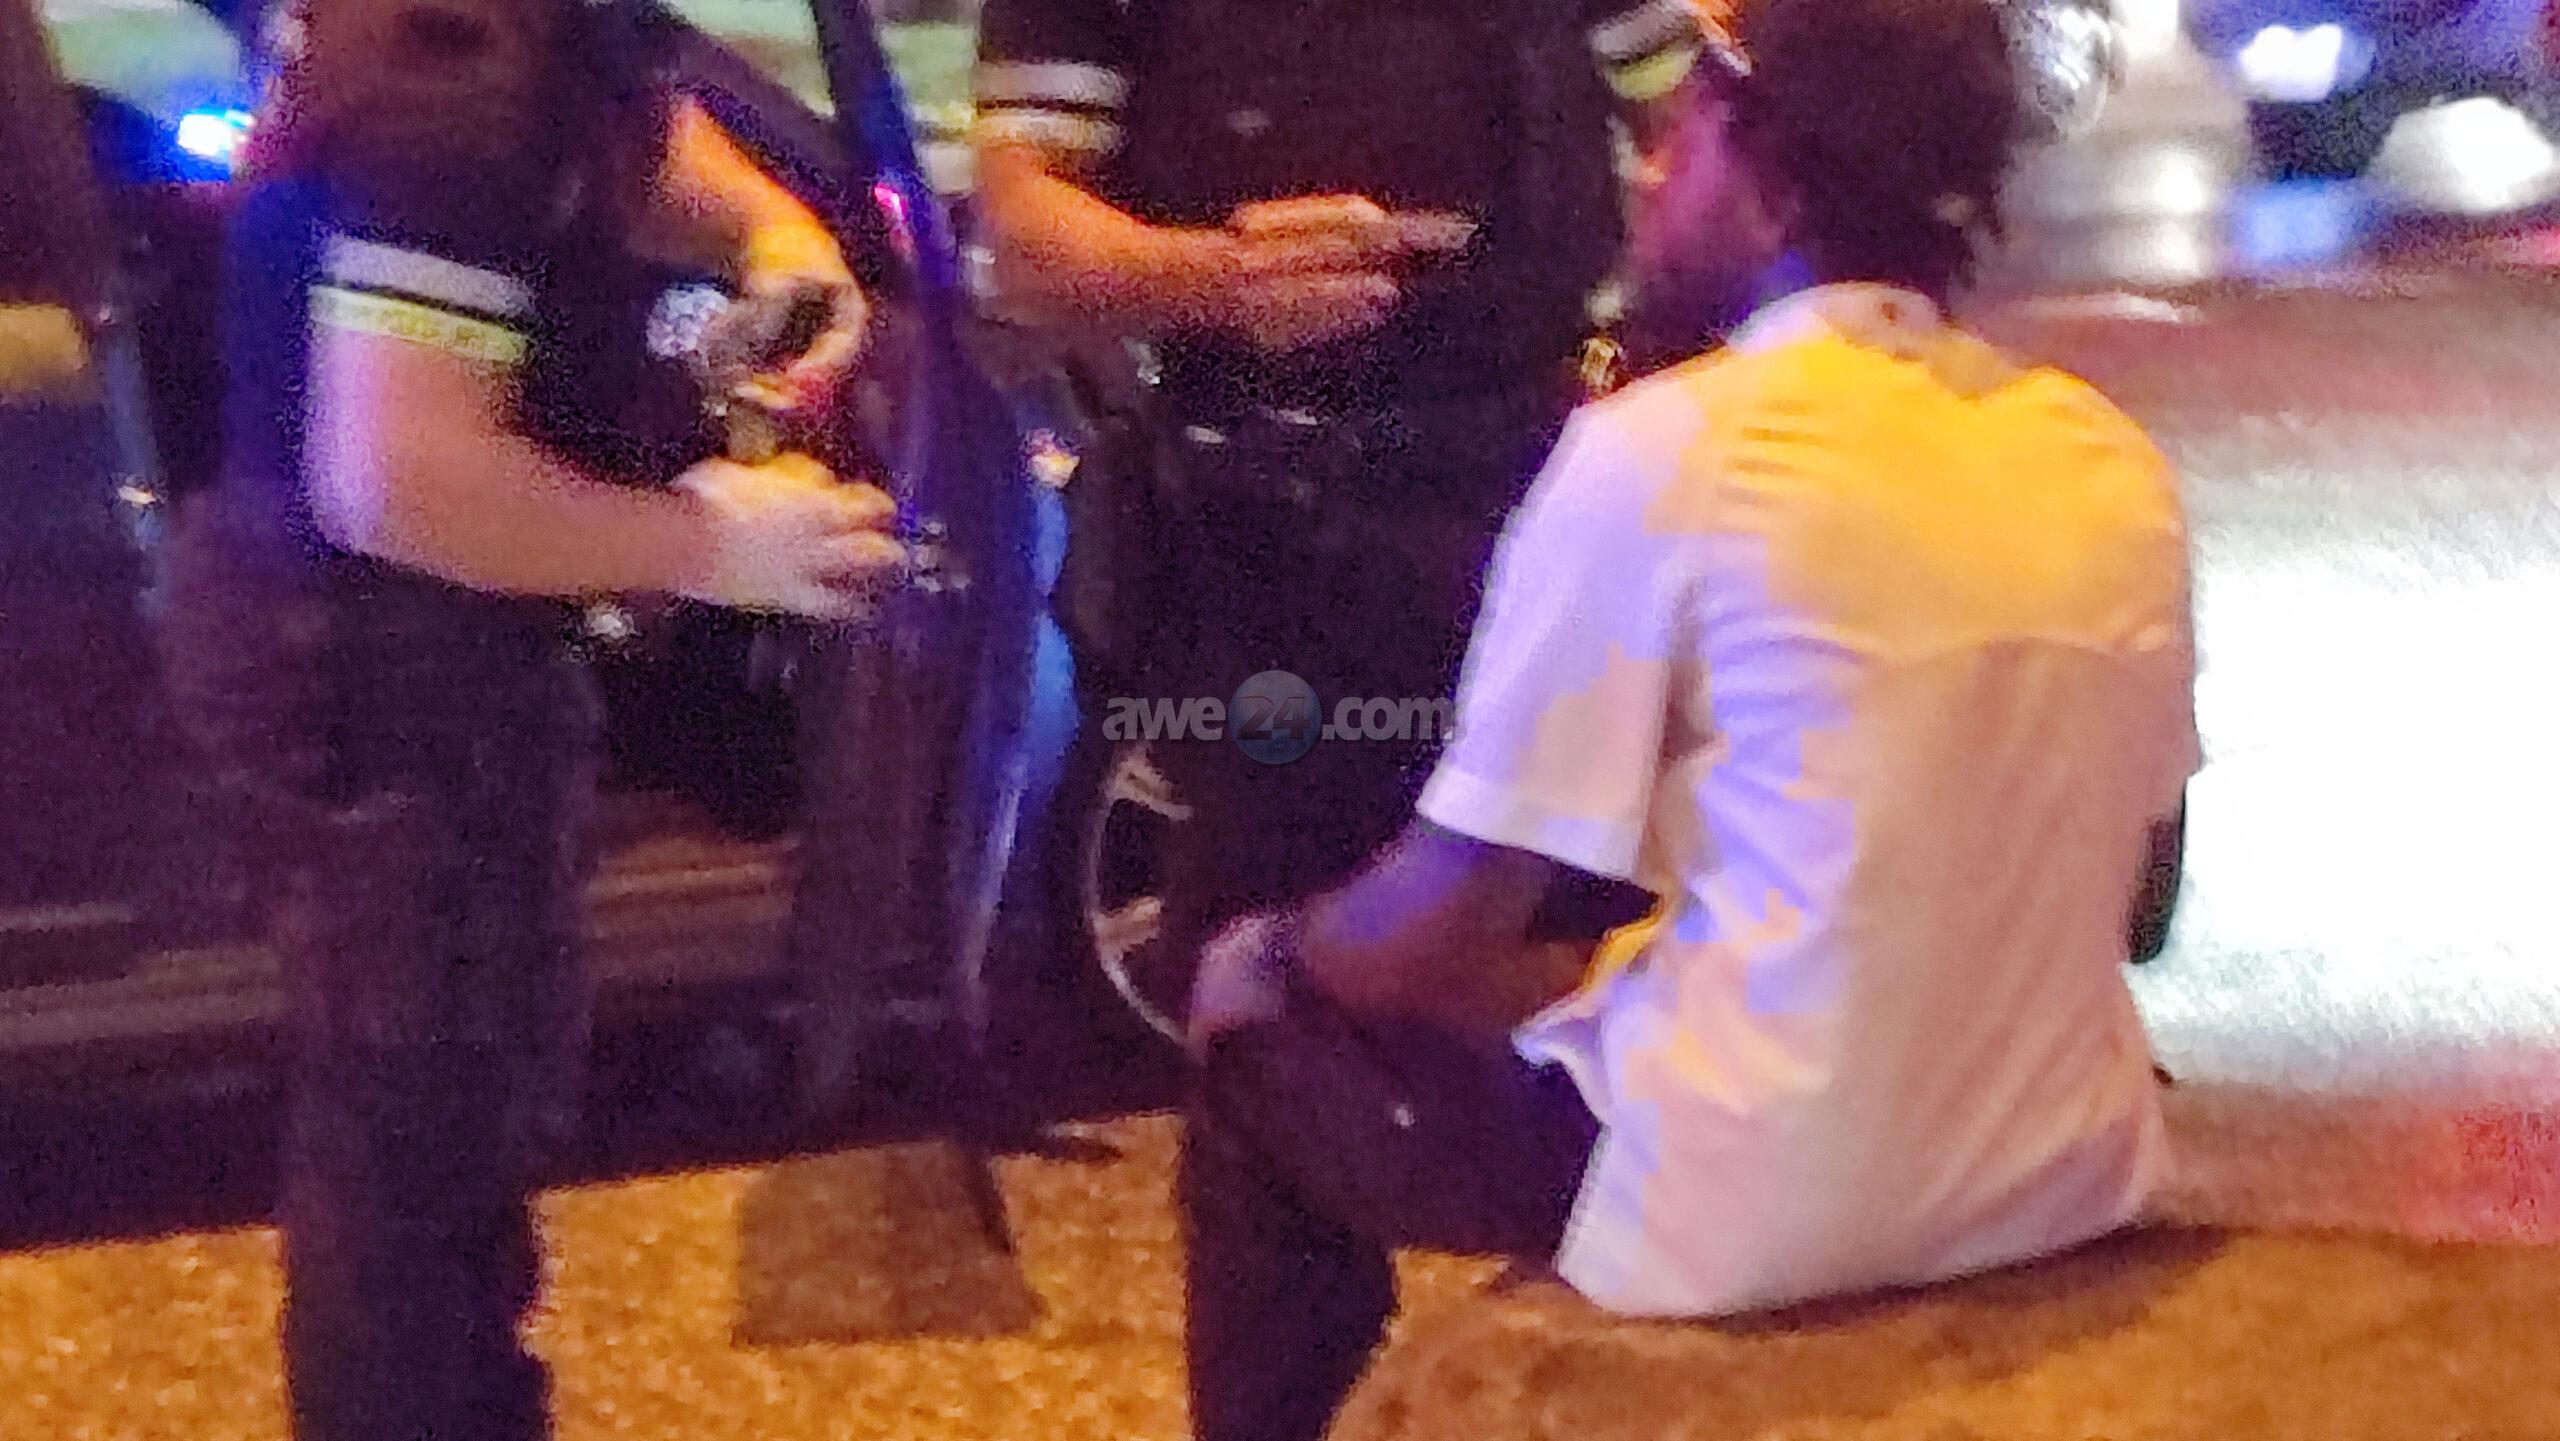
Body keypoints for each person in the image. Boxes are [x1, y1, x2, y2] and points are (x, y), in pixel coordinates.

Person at [1177, 0, 2201, 1436]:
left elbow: (1440, 927)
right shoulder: (2103, 453)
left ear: (1776, 183)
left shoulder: (1667, 448)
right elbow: (2137, 902)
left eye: (1688, 128)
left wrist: (1268, 953)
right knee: (1598, 984)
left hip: (1759, 1205)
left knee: (1252, 1055)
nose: (1649, 167)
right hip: (2062, 1176)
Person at [156, 2, 899, 1437]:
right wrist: (715, 546)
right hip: (374, 671)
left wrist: (777, 241)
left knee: (444, 1142)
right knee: (415, 1177)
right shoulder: (452, 71)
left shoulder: (538, 34)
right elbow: (397, 478)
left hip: (393, 634)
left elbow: (644, 135)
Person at [970, 0, 1703, 1041]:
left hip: (1549, 499)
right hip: (1272, 544)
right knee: (1286, 990)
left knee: (1574, 956)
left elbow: (1698, 122)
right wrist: (1226, 280)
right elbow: (1023, 235)